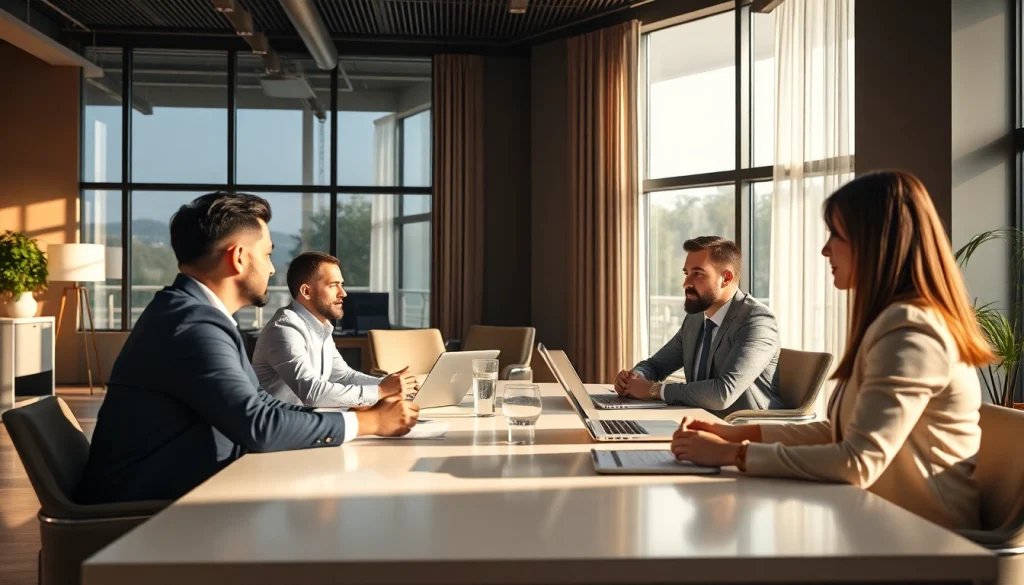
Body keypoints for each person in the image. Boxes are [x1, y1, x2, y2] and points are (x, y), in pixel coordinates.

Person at [670, 171, 993, 531]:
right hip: (880, 521)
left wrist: (734, 454)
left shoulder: (912, 331)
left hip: (927, 541)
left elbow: (857, 462)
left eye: (836, 236)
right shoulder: (895, 321)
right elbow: (839, 433)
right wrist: (735, 434)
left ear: (876, 242)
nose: (825, 249)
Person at [77, 192, 419, 505]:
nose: (272, 268)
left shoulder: (192, 313)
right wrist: (369, 424)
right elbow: (259, 426)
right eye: (268, 254)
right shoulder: (192, 325)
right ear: (239, 258)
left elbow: (261, 403)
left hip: (186, 485)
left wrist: (351, 416)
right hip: (149, 509)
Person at [613, 236, 782, 416]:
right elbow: (655, 366)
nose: (686, 283)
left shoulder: (757, 321)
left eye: (698, 273)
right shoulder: (695, 319)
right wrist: (634, 377)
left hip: (742, 431)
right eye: (687, 273)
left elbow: (722, 393)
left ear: (726, 278)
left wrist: (654, 390)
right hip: (696, 422)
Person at [252, 251, 416, 408]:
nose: (343, 293)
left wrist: (392, 385)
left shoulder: (319, 327)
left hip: (308, 421)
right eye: (333, 285)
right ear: (306, 291)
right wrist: (381, 391)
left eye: (341, 285)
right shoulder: (284, 328)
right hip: (282, 428)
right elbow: (312, 392)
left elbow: (344, 376)